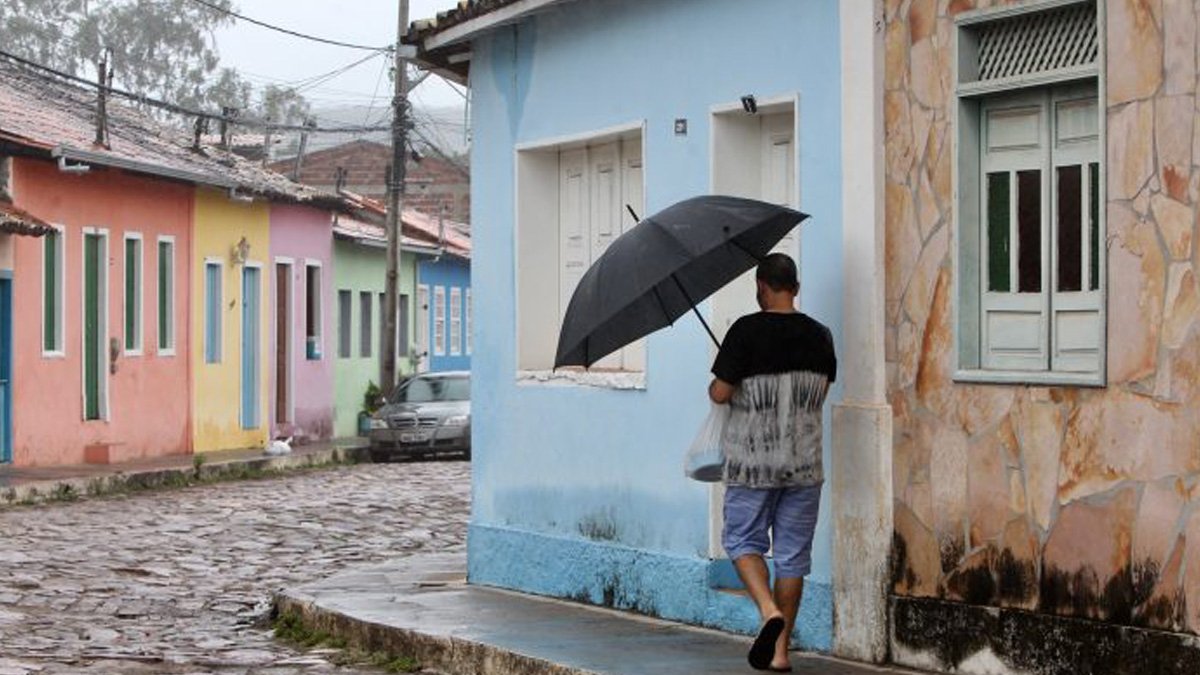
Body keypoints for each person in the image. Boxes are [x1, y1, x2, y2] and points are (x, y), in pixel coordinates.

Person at [708, 253, 837, 672]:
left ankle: (767, 610)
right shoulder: (822, 336)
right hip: (805, 464)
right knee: (792, 557)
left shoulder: (744, 331)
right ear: (795, 288)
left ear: (761, 287)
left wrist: (722, 377)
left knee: (742, 542)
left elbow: (721, 394)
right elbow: (819, 392)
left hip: (753, 464)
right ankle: (781, 654)